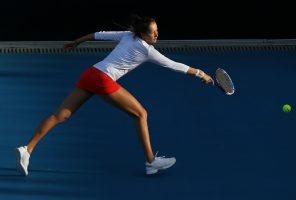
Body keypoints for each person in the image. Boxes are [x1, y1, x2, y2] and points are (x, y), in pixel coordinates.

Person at [15, 15, 214, 176]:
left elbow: (98, 35)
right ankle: (151, 161)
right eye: (153, 32)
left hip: (91, 73)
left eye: (157, 31)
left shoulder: (128, 35)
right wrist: (200, 73)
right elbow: (173, 65)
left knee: (61, 115)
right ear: (143, 33)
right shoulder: (147, 51)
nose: (156, 35)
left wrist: (77, 41)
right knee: (140, 114)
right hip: (103, 79)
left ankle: (27, 149)